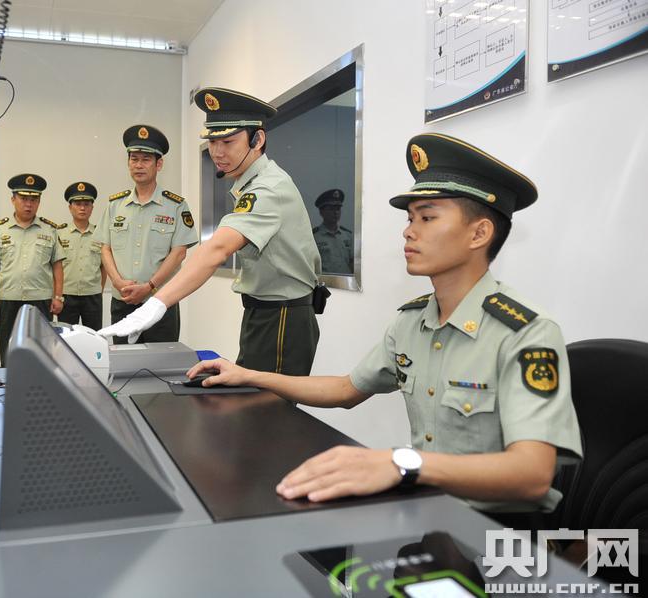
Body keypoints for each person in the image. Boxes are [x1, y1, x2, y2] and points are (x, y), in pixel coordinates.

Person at [185, 133, 583, 520]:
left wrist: (401, 463)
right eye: (410, 219)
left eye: (428, 218)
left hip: (496, 532)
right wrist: (249, 375)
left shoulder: (525, 333)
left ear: (479, 233)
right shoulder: (412, 322)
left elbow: (533, 475)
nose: (409, 231)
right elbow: (345, 389)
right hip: (428, 512)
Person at [99, 88, 322, 375]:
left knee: (267, 400)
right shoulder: (252, 184)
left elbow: (217, 249)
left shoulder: (268, 189)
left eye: (227, 141)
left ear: (257, 140)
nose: (217, 152)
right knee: (251, 395)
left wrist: (155, 304)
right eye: (213, 141)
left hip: (282, 317)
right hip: (265, 311)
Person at [94, 124, 198, 344]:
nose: (139, 165)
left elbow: (179, 253)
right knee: (124, 361)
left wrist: (150, 286)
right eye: (134, 159)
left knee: (160, 360)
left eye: (146, 159)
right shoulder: (115, 205)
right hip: (122, 299)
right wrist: (117, 281)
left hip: (161, 301)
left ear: (159, 164)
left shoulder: (176, 206)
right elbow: (105, 248)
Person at [0, 173, 65, 365]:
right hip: (9, 298)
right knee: (8, 349)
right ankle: (9, 382)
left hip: (41, 299)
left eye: (34, 200)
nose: (28, 204)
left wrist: (58, 296)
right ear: (13, 199)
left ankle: (41, 381)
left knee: (43, 350)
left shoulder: (49, 230)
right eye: (23, 199)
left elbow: (57, 265)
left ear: (39, 202)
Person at [57, 181, 106, 331]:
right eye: (78, 204)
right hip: (66, 295)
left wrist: (99, 289)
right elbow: (55, 266)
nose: (82, 208)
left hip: (92, 296)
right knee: (66, 337)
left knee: (93, 336)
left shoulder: (100, 234)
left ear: (92, 207)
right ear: (70, 207)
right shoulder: (59, 233)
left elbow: (104, 267)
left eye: (86, 204)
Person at [313, 188, 354, 274]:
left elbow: (353, 263)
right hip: (325, 281)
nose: (336, 212)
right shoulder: (314, 237)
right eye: (331, 209)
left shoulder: (348, 235)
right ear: (321, 212)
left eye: (338, 209)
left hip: (346, 281)